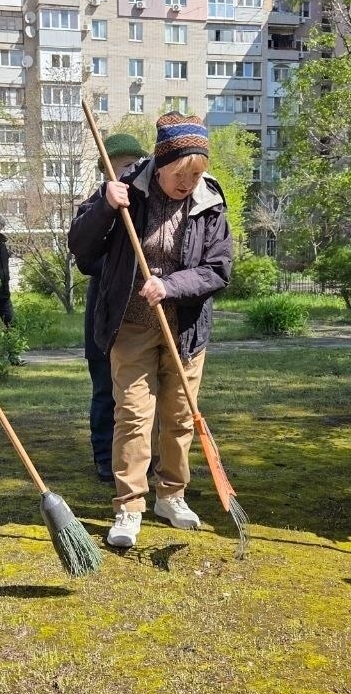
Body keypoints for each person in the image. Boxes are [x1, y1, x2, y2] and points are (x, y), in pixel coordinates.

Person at [69, 112, 233, 547]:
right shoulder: (124, 191)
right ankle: (129, 506)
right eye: (181, 174)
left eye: (196, 174)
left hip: (186, 327)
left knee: (179, 418)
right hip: (131, 326)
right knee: (134, 416)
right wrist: (105, 206)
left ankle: (171, 495)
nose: (188, 183)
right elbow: (82, 252)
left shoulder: (210, 200)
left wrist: (171, 284)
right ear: (160, 164)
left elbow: (219, 269)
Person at [76, 133, 149, 484]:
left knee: (140, 397)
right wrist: (107, 210)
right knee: (106, 391)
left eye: (137, 165)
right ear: (107, 170)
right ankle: (105, 459)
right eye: (125, 167)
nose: (132, 173)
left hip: (141, 320)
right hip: (105, 317)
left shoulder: (150, 203)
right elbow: (86, 259)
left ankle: (140, 459)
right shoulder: (95, 205)